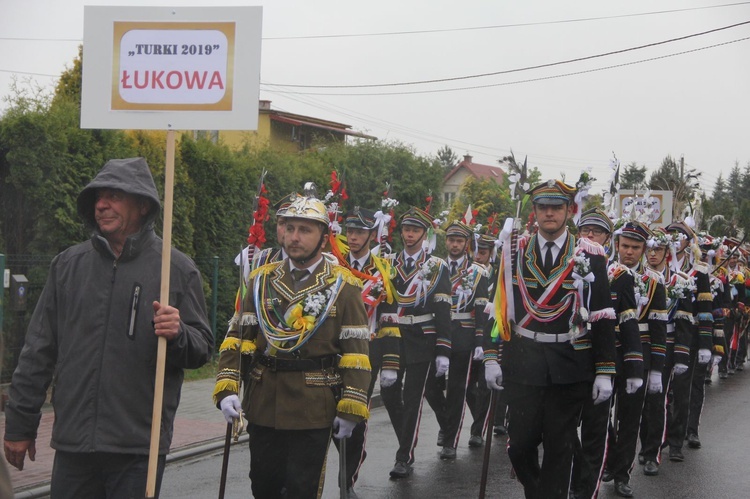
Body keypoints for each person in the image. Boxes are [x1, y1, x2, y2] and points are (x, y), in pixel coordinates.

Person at [3, 157, 214, 498]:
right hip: (74, 444)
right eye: (98, 197)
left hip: (138, 447)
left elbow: (202, 348)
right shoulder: (68, 265)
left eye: (114, 195)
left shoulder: (175, 269)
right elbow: (38, 350)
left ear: (143, 205)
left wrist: (178, 334)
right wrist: (19, 423)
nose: (101, 205)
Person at [213, 195, 371, 498]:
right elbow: (238, 338)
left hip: (312, 405)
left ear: (324, 239)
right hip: (263, 402)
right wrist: (228, 388)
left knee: (301, 489)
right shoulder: (260, 281)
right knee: (263, 486)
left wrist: (352, 406)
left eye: (305, 230)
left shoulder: (343, 286)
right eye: (290, 228)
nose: (294, 237)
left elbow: (356, 353)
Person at [484, 180, 617, 499]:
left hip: (570, 366)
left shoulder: (591, 254)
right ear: (534, 211)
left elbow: (601, 315)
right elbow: (497, 308)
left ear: (569, 211)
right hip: (523, 363)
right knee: (519, 446)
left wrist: (604, 371)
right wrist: (491, 357)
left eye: (556, 207)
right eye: (543, 207)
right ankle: (540, 490)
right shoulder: (513, 251)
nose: (549, 213)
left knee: (561, 447)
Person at [571, 209, 643, 499]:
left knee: (596, 427)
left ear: (607, 239)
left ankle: (586, 487)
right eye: (585, 230)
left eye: (596, 232)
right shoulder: (561, 266)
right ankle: (579, 473)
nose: (589, 235)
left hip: (602, 357)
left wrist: (635, 368)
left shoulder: (618, 275)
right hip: (566, 359)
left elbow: (628, 322)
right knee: (562, 426)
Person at [381, 206, 452, 479]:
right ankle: (406, 439)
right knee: (389, 393)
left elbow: (443, 309)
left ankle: (404, 457)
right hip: (394, 338)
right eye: (406, 230)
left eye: (415, 230)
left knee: (413, 399)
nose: (409, 235)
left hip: (423, 338)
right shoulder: (388, 263)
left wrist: (443, 349)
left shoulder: (437, 266)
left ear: (425, 234)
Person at [335, 207, 401, 497]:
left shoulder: (383, 271)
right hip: (334, 350)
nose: (353, 237)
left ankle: (347, 479)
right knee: (332, 416)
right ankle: (347, 460)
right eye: (349, 231)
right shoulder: (333, 264)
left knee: (356, 413)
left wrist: (390, 362)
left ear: (371, 235)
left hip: (367, 350)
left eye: (359, 232)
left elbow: (388, 318)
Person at [602, 221, 667, 498]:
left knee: (629, 418)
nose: (629, 252)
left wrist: (656, 370)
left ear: (644, 250)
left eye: (635, 248)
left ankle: (621, 474)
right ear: (617, 245)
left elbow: (658, 326)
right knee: (600, 415)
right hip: (605, 352)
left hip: (638, 355)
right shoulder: (603, 273)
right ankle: (607, 459)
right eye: (625, 246)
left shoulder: (654, 281)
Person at [425, 221, 489, 457]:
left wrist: (481, 341)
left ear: (466, 244)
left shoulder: (477, 272)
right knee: (429, 386)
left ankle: (450, 442)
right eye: (451, 240)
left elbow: (482, 307)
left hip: (464, 333)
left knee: (457, 389)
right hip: (436, 332)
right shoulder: (434, 267)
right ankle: (445, 423)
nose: (454, 245)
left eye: (459, 241)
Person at [638, 227, 694, 476]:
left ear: (666, 253)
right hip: (642, 344)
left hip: (669, 346)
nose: (652, 255)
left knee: (659, 399)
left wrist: (682, 355)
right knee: (641, 400)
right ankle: (642, 446)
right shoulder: (637, 278)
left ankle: (653, 452)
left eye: (657, 250)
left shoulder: (679, 281)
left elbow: (684, 320)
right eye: (648, 250)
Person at [663, 220, 714, 463]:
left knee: (682, 391)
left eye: (679, 236)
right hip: (662, 336)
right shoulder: (659, 268)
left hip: (689, 338)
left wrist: (705, 344)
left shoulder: (699, 271)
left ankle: (676, 441)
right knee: (659, 391)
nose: (674, 240)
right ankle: (658, 437)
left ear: (688, 241)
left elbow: (705, 309)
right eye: (670, 236)